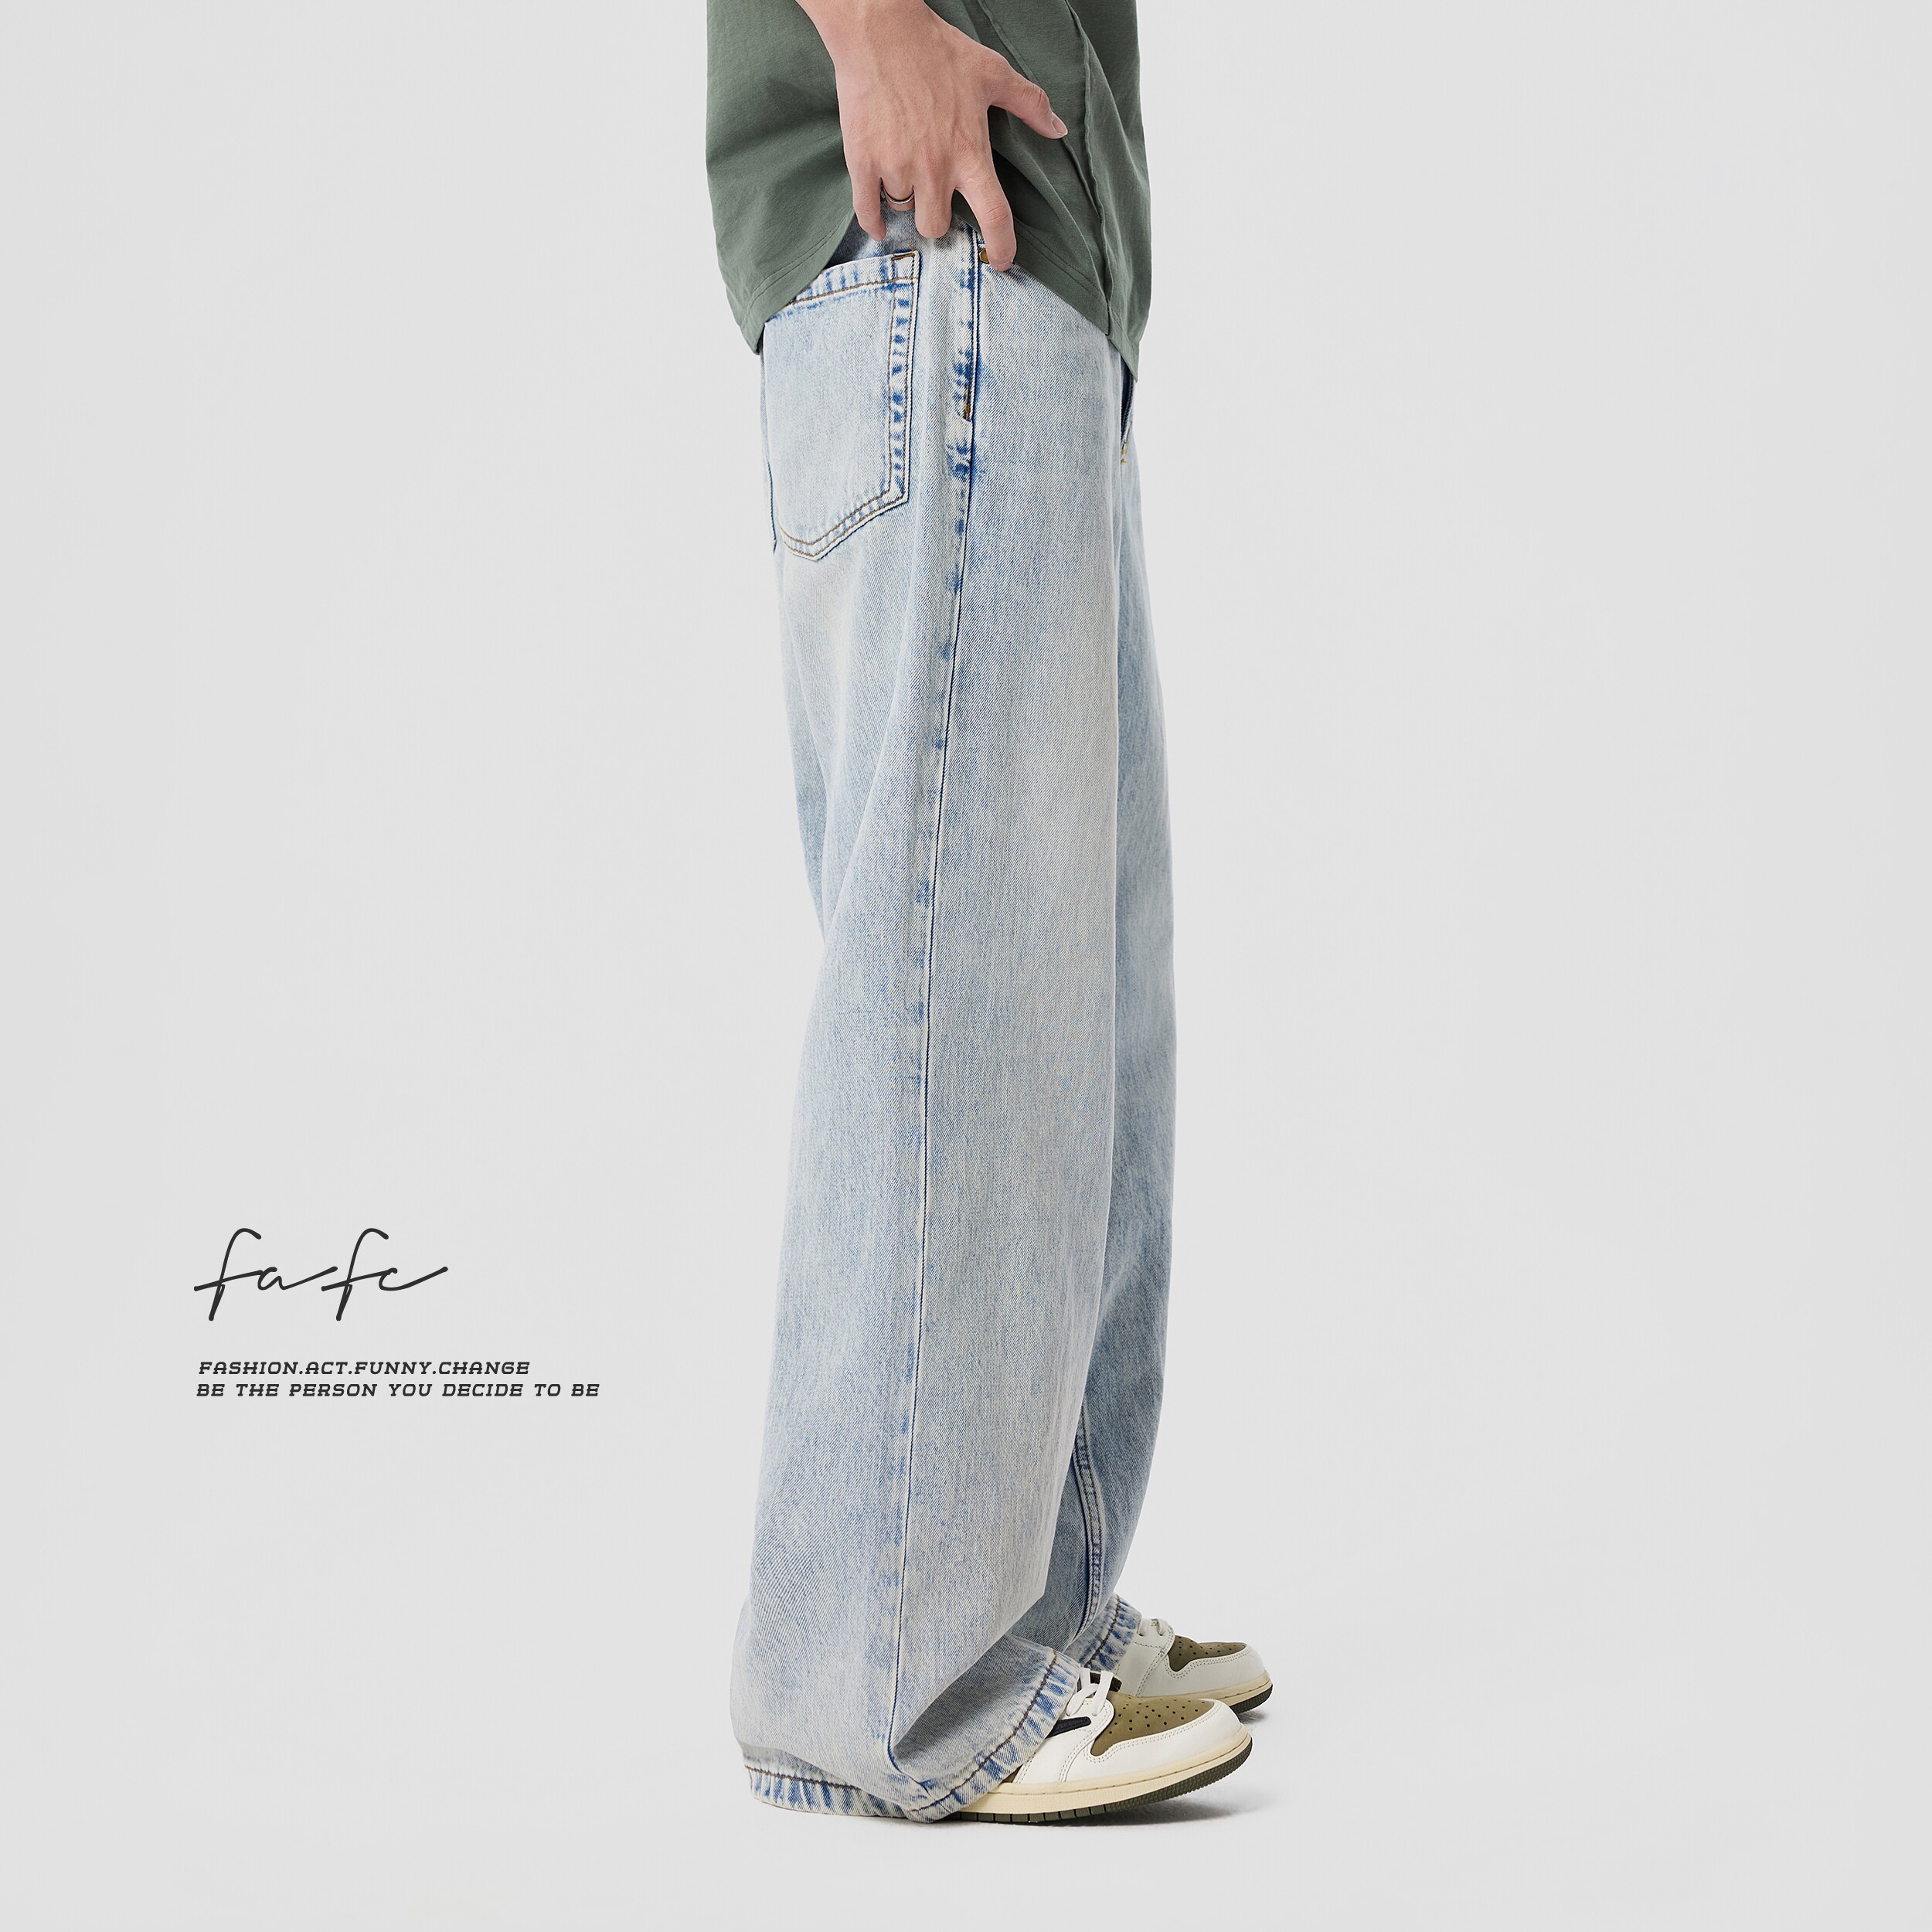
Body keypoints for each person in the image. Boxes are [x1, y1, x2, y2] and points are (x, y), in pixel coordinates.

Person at [706, 0, 1267, 1823]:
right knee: (959, 979)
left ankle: (1032, 1610)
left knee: (1064, 991)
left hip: (1013, 266)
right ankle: (890, 1673)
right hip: (930, 238)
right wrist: (874, 26)